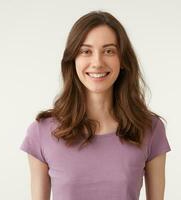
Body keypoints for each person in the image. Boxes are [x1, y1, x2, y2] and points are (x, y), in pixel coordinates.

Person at [20, 10, 171, 200]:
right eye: (86, 51)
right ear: (73, 59)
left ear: (122, 59)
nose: (97, 62)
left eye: (108, 51)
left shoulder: (150, 129)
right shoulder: (41, 132)